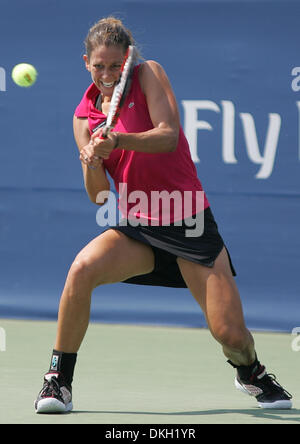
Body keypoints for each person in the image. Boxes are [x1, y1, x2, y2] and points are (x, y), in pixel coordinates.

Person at [34, 17, 292, 413]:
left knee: (231, 334)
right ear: (85, 62)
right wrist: (91, 159)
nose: (106, 74)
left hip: (188, 223)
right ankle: (57, 381)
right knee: (82, 269)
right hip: (138, 227)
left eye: (114, 66)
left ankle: (251, 372)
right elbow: (101, 195)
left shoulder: (148, 74)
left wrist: (117, 139)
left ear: (126, 61)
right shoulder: (83, 117)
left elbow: (168, 135)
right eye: (98, 65)